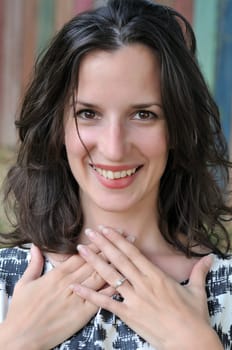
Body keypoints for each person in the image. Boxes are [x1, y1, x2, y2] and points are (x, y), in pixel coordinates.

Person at [0, 0, 231, 348]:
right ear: (57, 127)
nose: (113, 148)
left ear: (178, 128)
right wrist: (15, 341)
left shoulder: (225, 289)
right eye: (88, 113)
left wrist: (196, 343)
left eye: (143, 115)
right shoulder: (7, 282)